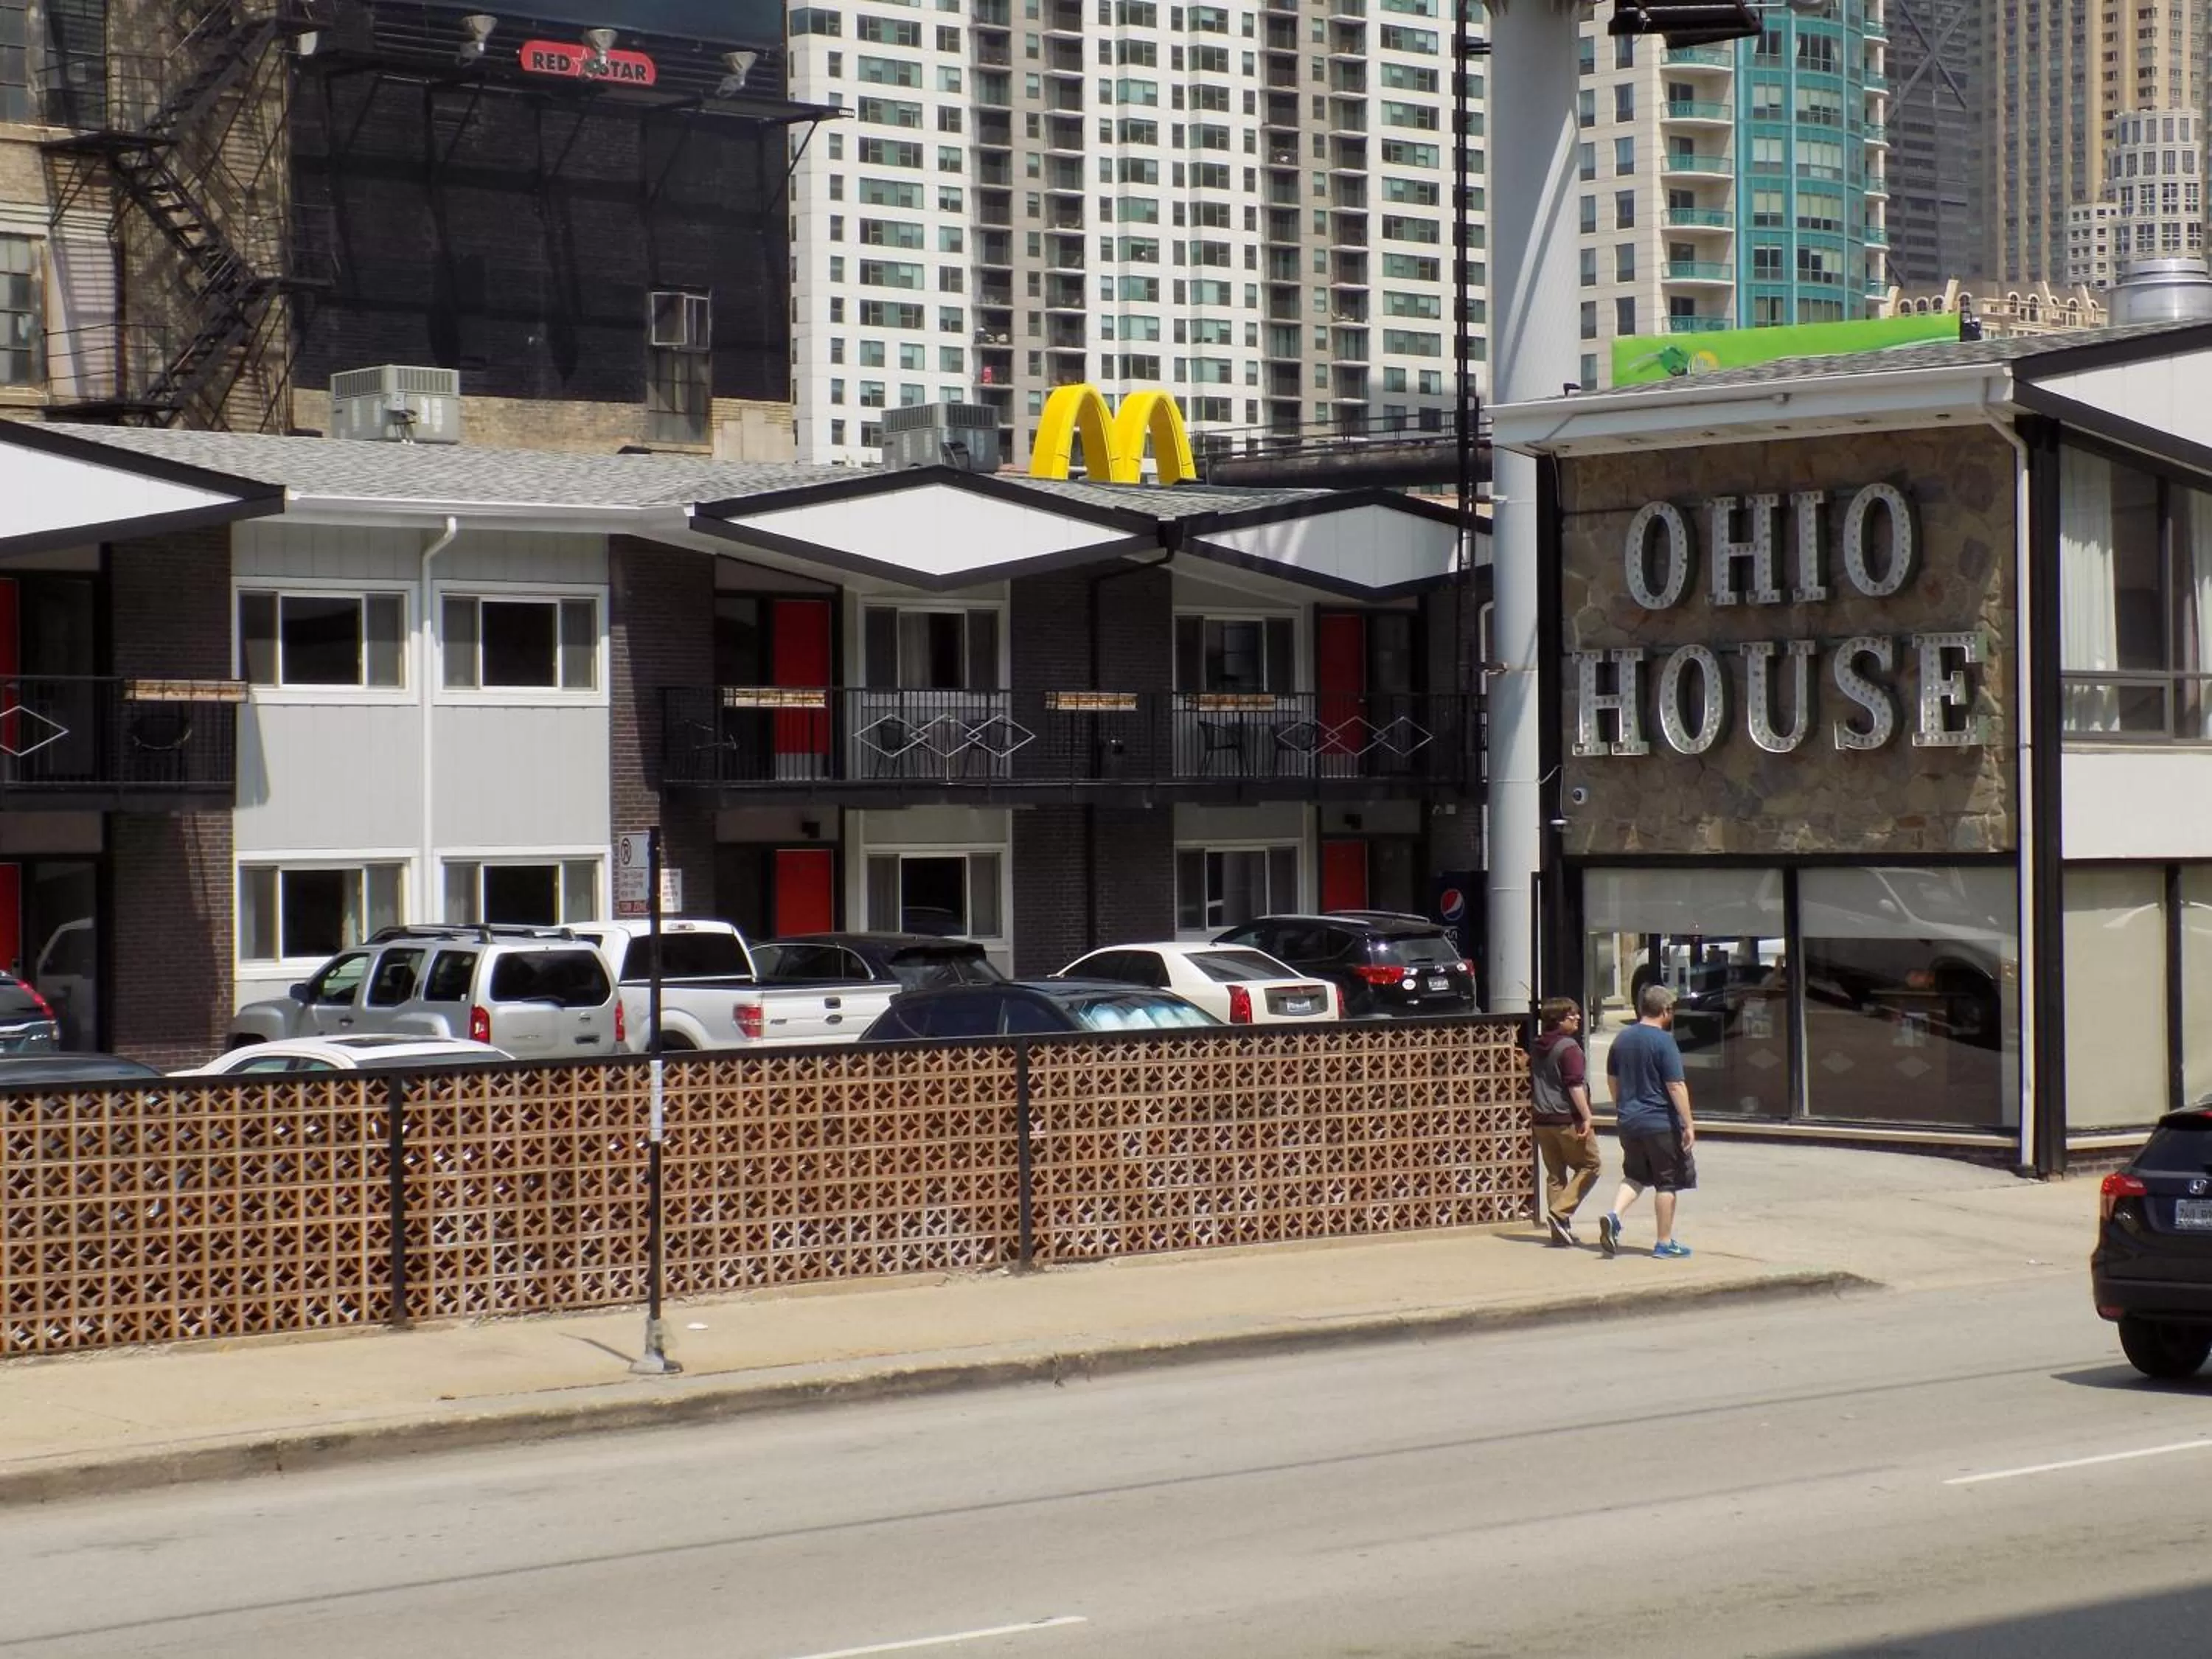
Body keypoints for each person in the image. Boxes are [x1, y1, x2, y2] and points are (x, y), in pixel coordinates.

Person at [1599, 982, 1697, 1260]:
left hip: (1630, 1121)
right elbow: (1676, 1085)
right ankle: (1664, 1242)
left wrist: (1622, 1108)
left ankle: (1614, 1215)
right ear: (1665, 1010)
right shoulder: (1664, 1041)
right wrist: (1688, 1124)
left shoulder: (1622, 1040)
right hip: (1660, 1122)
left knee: (1636, 1175)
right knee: (1668, 1182)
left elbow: (1612, 1080)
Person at [1528, 997, 1601, 1246]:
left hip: (1540, 1118)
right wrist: (1587, 1116)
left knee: (1555, 1174)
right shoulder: (1569, 1048)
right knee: (1591, 1165)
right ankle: (1560, 1214)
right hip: (1565, 1118)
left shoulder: (1537, 1045)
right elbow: (1575, 1085)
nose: (1578, 1018)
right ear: (1558, 1020)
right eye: (1572, 1016)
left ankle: (1560, 1229)